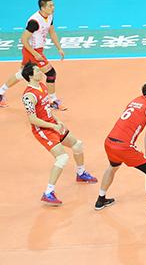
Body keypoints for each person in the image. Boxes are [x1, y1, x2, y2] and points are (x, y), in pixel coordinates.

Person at [20, 63, 97, 206]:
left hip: (53, 124)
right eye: (37, 70)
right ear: (30, 75)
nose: (40, 71)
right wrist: (52, 125)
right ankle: (48, 193)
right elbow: (32, 119)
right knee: (62, 158)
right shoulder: (28, 96)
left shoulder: (42, 86)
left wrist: (58, 120)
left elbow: (47, 108)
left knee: (77, 144)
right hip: (42, 130)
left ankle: (80, 173)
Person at [96, 81, 146, 222]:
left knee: (113, 167)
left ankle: (101, 199)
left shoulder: (135, 100)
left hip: (109, 142)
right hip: (124, 146)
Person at [0, 0, 64, 107]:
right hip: (31, 51)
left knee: (22, 74)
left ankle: (0, 92)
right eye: (50, 6)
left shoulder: (49, 16)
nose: (53, 7)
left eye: (53, 5)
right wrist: (35, 54)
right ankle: (53, 100)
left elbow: (52, 32)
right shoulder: (34, 21)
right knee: (51, 73)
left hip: (36, 51)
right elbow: (23, 40)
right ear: (43, 8)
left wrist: (59, 48)